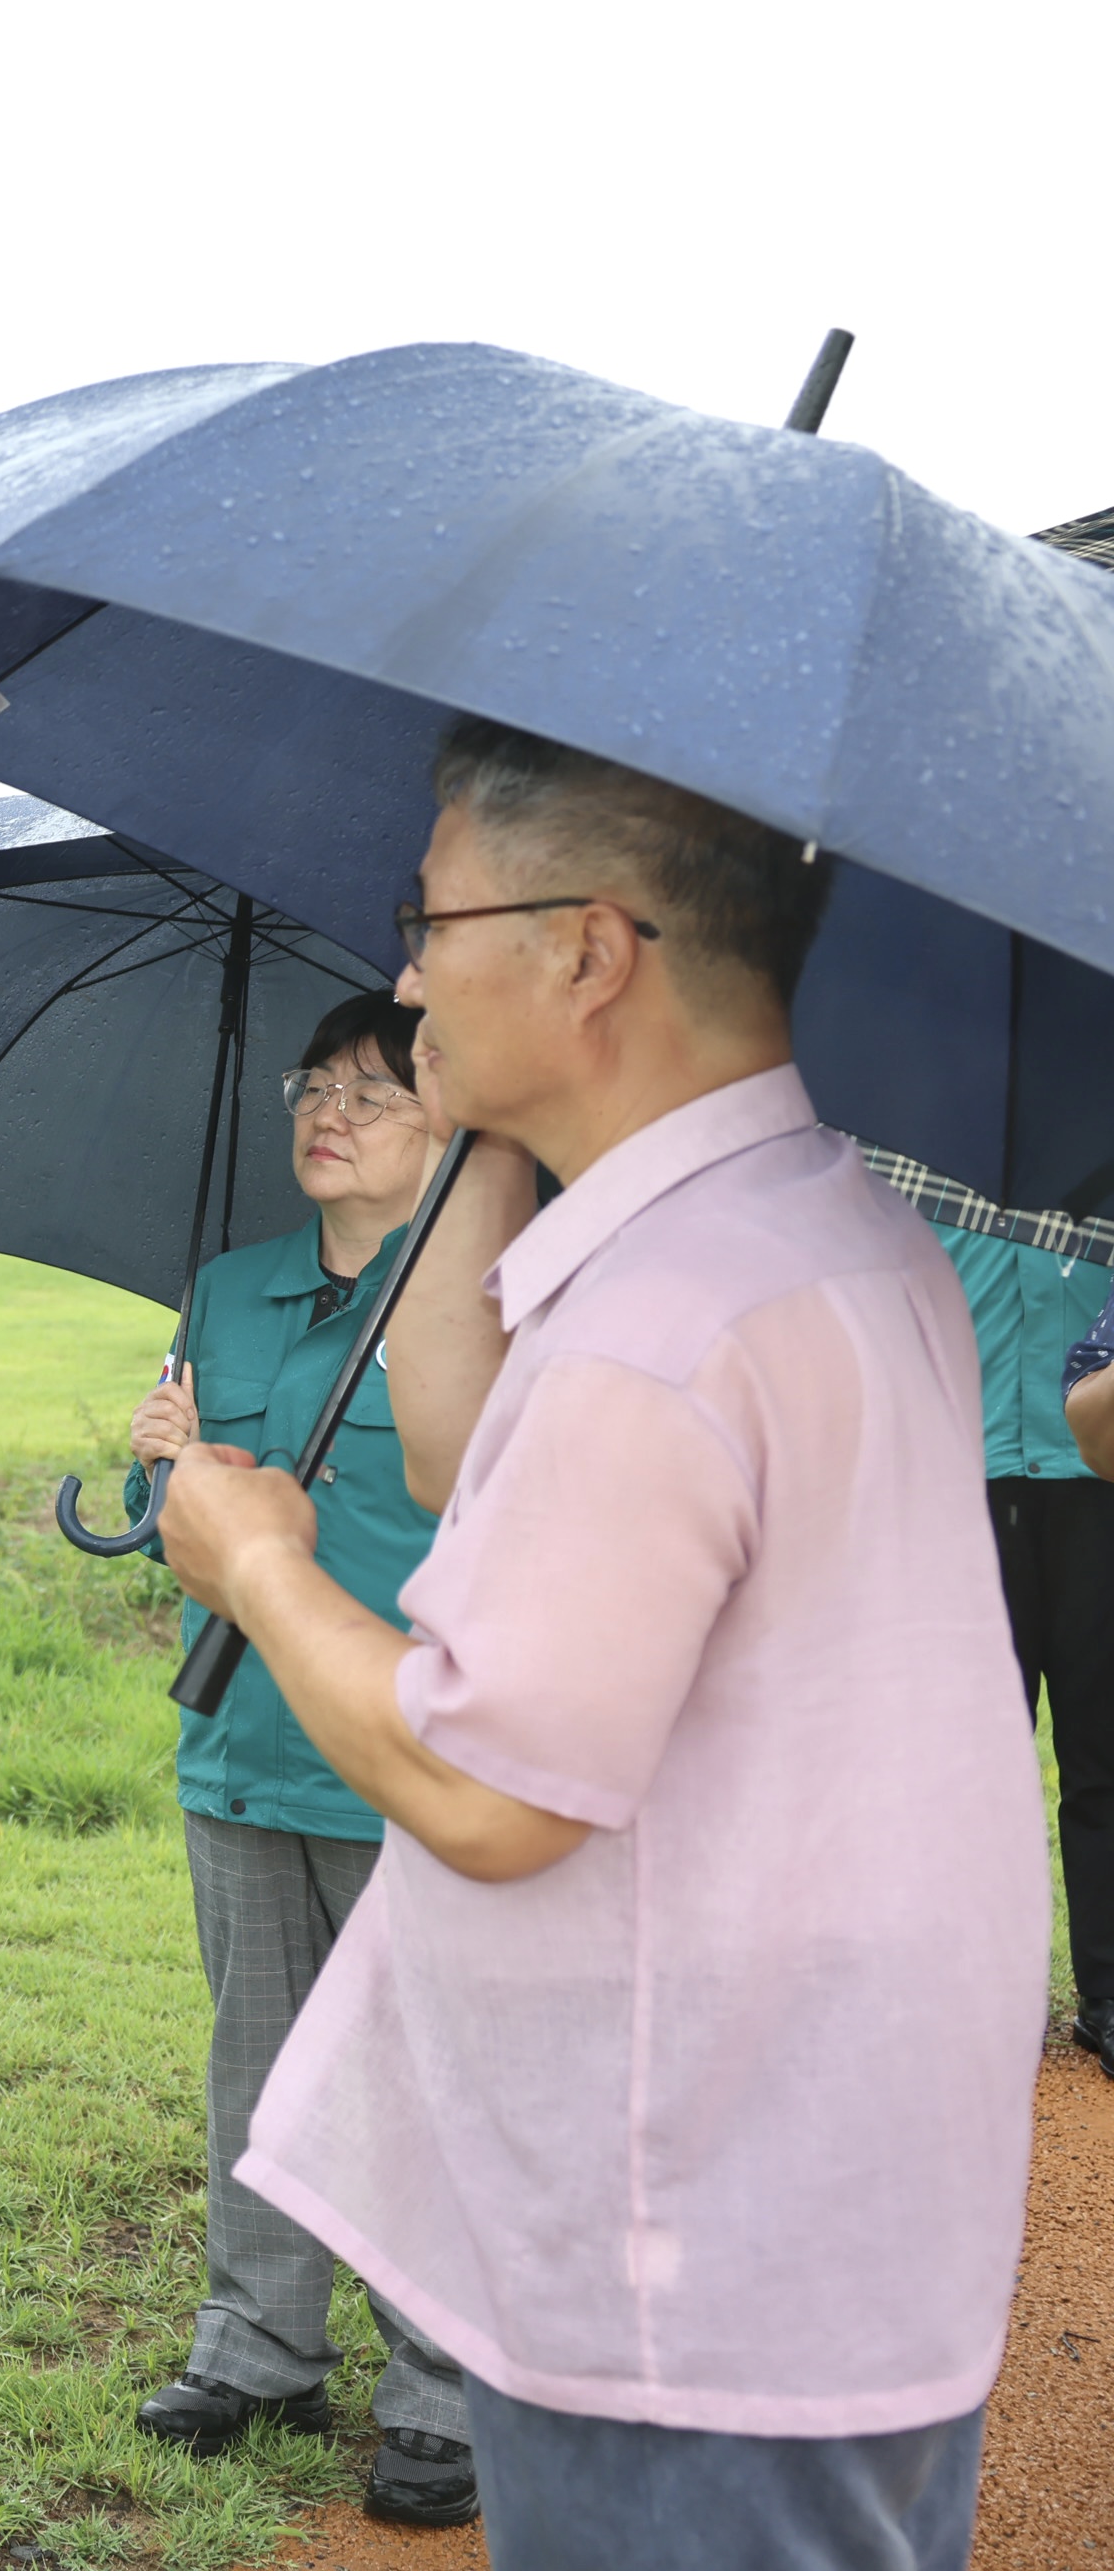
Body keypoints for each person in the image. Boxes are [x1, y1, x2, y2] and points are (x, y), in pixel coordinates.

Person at [154, 717, 1043, 2571]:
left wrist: (255, 1563)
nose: (401, 973)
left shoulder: (667, 1315)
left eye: (431, 913)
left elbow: (484, 1789)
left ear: (587, 946)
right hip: (817, 2206)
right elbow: (467, 1446)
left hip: (683, 2268)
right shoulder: (813, 1232)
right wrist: (489, 1120)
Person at [119, 992, 474, 2528]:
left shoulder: (480, 1301)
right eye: (315, 1087)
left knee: (424, 2083)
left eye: (373, 1095)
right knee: (258, 2067)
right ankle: (256, 2346)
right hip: (243, 1747)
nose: (328, 1113)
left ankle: (445, 2393)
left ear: (451, 1123)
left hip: (407, 1754)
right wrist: (165, 1480)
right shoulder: (229, 1289)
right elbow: (190, 1554)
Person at [863, 1151, 1114, 2076]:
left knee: (1104, 1754)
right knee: (969, 1765)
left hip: (1098, 1479)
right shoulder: (925, 1152)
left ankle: (1110, 1994)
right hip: (955, 1483)